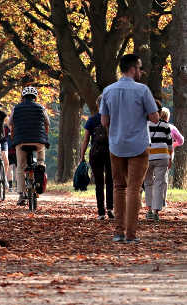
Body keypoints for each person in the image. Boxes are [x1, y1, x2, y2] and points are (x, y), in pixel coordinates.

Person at [100, 54, 159, 243]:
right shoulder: (143, 91)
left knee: (119, 187)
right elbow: (155, 117)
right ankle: (131, 234)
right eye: (139, 68)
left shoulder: (108, 91)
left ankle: (118, 232)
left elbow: (104, 121)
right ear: (133, 68)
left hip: (116, 145)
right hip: (139, 145)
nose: (141, 71)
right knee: (134, 188)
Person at [8, 86, 50, 206]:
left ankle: (21, 194)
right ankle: (40, 170)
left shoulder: (16, 108)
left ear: (23, 97)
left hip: (21, 141)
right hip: (38, 140)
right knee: (41, 158)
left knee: (20, 167)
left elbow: (10, 123)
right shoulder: (41, 108)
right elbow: (47, 123)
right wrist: (44, 137)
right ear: (35, 97)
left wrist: (13, 137)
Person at [80, 95, 114, 220]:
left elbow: (85, 140)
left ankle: (101, 212)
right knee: (110, 181)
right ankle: (110, 208)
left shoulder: (91, 120)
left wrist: (82, 155)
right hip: (111, 153)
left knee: (99, 183)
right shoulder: (112, 119)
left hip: (96, 153)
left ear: (98, 105)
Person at [144, 106, 173, 221]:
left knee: (148, 183)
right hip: (162, 156)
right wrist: (170, 157)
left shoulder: (145, 124)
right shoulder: (165, 125)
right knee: (159, 183)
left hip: (147, 157)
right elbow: (170, 143)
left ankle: (149, 210)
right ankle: (156, 212)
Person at [5, 125, 16, 192]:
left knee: (10, 168)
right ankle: (18, 186)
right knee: (18, 168)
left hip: (8, 150)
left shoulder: (6, 128)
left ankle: (10, 187)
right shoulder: (17, 126)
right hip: (17, 149)